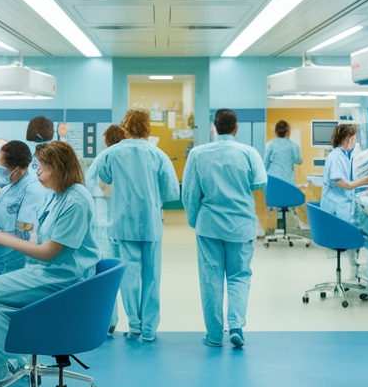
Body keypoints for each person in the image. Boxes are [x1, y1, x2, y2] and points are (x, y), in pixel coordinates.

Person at [0, 141, 101, 387]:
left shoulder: (75, 201)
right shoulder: (59, 196)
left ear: (60, 168)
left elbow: (48, 252)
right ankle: (10, 360)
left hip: (64, 280)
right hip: (51, 273)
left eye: (42, 167)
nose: (37, 172)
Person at [182, 109, 267, 348]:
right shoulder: (249, 153)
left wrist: (194, 221)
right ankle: (236, 325)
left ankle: (214, 336)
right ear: (236, 128)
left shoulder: (198, 154)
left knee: (211, 279)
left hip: (209, 226)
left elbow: (188, 193)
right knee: (239, 277)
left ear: (214, 128)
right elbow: (260, 181)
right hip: (241, 226)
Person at [97, 108, 180, 342]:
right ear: (147, 128)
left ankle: (134, 325)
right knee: (152, 276)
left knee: (130, 276)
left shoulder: (113, 153)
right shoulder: (158, 155)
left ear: (126, 126)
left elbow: (105, 177)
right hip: (151, 223)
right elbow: (172, 191)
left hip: (123, 222)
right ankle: (150, 329)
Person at [319, 123, 368, 278]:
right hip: (342, 217)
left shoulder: (341, 155)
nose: (355, 141)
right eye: (354, 138)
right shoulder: (337, 156)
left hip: (342, 213)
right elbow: (345, 184)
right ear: (348, 138)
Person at [0, 141, 45, 277]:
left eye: (2, 169)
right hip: (0, 257)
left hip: (16, 262)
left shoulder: (32, 190)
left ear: (17, 169)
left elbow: (24, 234)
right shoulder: (10, 187)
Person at [89, 124, 127, 334]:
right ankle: (137, 325)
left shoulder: (103, 158)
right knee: (128, 275)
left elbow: (87, 185)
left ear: (106, 140)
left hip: (103, 220)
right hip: (126, 223)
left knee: (105, 273)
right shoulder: (129, 159)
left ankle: (109, 321)